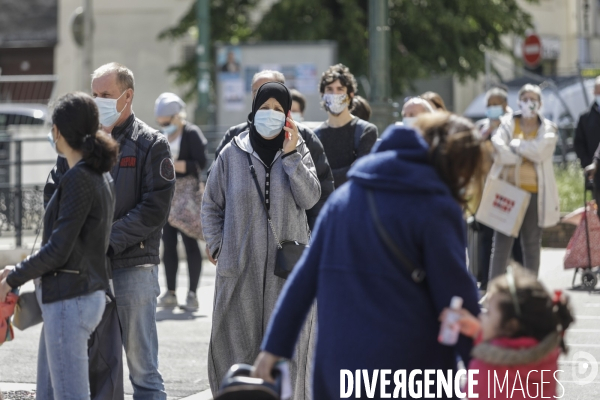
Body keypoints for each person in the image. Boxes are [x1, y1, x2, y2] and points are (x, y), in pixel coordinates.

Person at [252, 113, 483, 398]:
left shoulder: (344, 199)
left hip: (339, 369)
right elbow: (456, 300)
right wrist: (483, 362)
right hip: (411, 372)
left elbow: (303, 281)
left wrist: (273, 349)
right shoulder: (436, 207)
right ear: (456, 165)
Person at [45, 63, 174, 399]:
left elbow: (154, 210)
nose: (98, 101)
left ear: (127, 96)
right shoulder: (81, 145)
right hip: (87, 273)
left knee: (144, 372)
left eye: (106, 95)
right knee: (93, 368)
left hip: (134, 268)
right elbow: (55, 196)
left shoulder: (151, 144)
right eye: (95, 94)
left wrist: (103, 241)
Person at [202, 82, 320, 399]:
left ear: (288, 115)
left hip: (286, 272)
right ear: (253, 112)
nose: (270, 115)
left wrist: (292, 155)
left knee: (290, 351)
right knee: (233, 349)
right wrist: (218, 246)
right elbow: (211, 204)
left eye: (278, 110)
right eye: (264, 108)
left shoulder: (299, 148)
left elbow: (310, 198)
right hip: (239, 267)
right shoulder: (232, 153)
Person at [0, 92, 118, 398]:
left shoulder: (80, 177)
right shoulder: (97, 174)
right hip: (80, 294)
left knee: (69, 394)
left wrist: (13, 278)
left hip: (71, 298)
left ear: (57, 132)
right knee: (58, 391)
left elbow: (59, 248)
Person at [212, 70, 333, 230]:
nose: (267, 95)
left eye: (271, 89)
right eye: (259, 91)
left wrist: (315, 236)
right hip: (242, 243)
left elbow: (320, 191)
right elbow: (213, 194)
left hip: (291, 246)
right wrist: (217, 241)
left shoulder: (303, 138)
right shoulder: (234, 138)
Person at [443, 266, 574, 399]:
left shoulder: (484, 371)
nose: (481, 317)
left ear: (511, 326)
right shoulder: (547, 357)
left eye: (488, 313)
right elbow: (513, 350)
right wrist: (478, 333)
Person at [489, 84, 559, 281]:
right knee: (501, 244)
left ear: (540, 103)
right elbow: (498, 148)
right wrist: (522, 155)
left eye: (533, 99)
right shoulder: (508, 123)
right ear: (518, 102)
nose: (529, 103)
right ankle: (495, 289)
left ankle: (531, 293)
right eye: (525, 98)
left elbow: (540, 151)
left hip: (535, 193)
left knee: (531, 244)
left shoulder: (548, 128)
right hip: (508, 191)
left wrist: (516, 145)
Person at [154, 92, 208, 310]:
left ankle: (193, 293)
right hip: (167, 195)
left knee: (189, 242)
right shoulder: (160, 135)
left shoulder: (192, 133)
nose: (164, 125)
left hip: (187, 198)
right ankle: (171, 291)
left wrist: (173, 165)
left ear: (177, 116)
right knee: (168, 245)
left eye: (167, 121)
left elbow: (200, 163)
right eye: (161, 122)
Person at [473, 86, 522, 292]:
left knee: (515, 239)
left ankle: (521, 281)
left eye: (496, 104)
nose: (493, 108)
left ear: (505, 105)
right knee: (487, 238)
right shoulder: (481, 128)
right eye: (489, 105)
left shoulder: (514, 125)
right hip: (486, 189)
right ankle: (487, 281)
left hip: (510, 188)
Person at [314, 63, 378, 188]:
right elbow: (310, 178)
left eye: (340, 89)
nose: (334, 94)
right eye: (329, 89)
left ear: (351, 94)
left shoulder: (366, 131)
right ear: (323, 94)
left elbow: (361, 170)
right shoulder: (315, 136)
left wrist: (324, 176)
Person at [575, 76, 600, 174]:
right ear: (594, 92)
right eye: (599, 92)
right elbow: (579, 143)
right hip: (595, 176)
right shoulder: (585, 118)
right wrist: (587, 164)